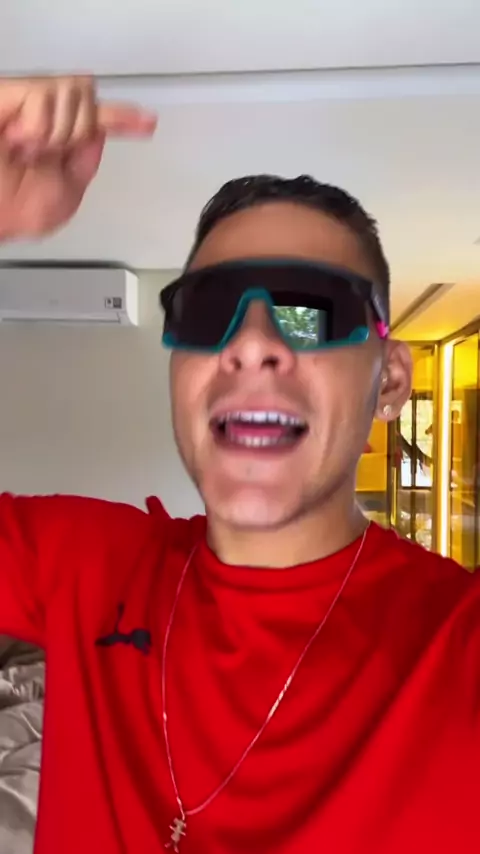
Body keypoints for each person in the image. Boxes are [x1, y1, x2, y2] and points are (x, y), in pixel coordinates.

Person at [0, 75, 479, 854]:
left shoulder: (456, 649)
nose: (251, 343)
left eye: (309, 309)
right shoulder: (85, 565)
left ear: (390, 380)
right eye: (209, 309)